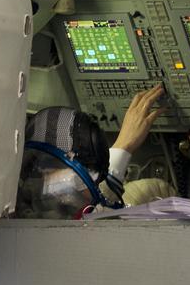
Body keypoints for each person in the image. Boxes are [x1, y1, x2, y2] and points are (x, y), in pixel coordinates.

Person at [18, 84, 170, 218]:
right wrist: (124, 145)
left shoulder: (19, 197)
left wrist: (124, 146)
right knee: (153, 191)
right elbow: (81, 200)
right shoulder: (60, 216)